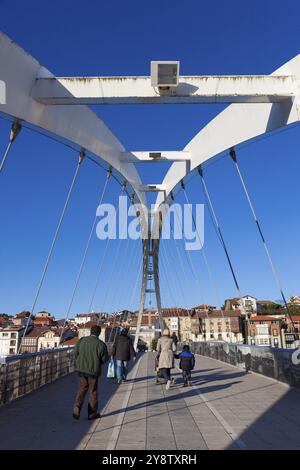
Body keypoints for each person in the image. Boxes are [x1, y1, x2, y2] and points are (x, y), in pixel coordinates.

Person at [73, 325, 109, 420]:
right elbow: (105, 359)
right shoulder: (101, 344)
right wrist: (98, 362)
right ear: (99, 333)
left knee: (81, 389)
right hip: (93, 371)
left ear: (90, 331)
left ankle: (77, 406)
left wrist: (79, 362)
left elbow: (76, 353)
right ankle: (92, 414)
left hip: (81, 369)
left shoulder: (81, 340)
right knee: (93, 392)